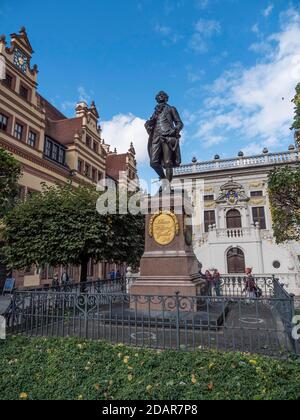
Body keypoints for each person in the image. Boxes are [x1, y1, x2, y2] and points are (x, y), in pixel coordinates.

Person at [145, 91, 184, 190]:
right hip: (155, 137)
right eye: (158, 96)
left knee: (167, 162)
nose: (160, 97)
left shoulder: (171, 109)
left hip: (167, 137)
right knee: (153, 163)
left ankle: (167, 186)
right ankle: (163, 179)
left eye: (163, 95)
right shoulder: (155, 113)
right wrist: (148, 125)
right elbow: (151, 124)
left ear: (166, 98)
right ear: (156, 99)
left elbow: (179, 123)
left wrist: (174, 130)